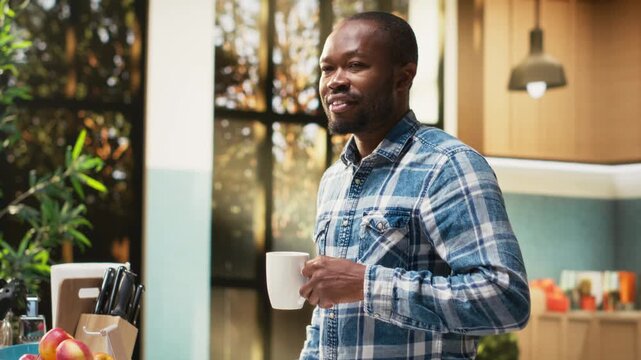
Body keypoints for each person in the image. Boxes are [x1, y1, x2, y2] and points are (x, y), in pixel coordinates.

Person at [298, 11, 530, 360]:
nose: (335, 81)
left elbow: (506, 298)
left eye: (356, 65)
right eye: (327, 68)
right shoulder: (334, 180)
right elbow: (328, 316)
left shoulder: (448, 166)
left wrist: (366, 284)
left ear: (403, 78)